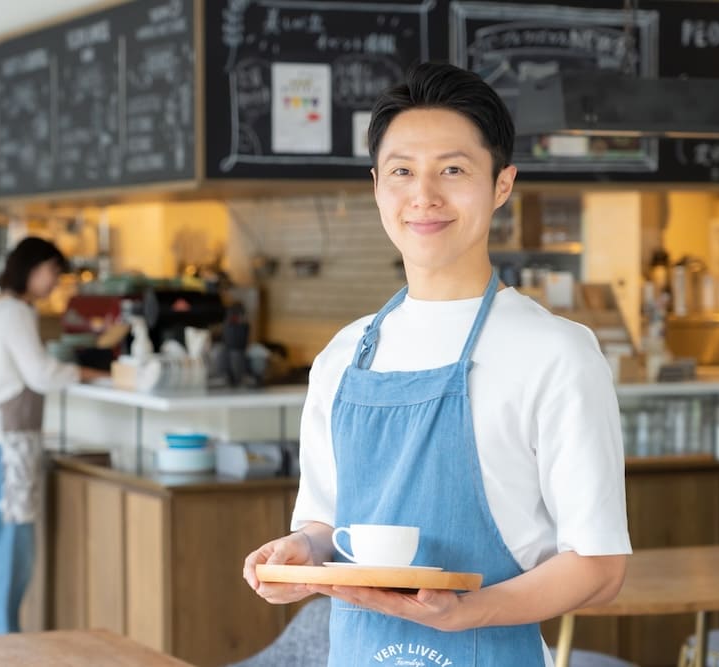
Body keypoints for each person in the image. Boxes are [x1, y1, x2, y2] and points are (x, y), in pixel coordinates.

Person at [242, 62, 631, 666]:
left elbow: (600, 566)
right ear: (377, 186)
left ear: (502, 184)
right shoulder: (342, 356)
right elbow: (327, 522)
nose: (424, 195)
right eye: (402, 171)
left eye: (453, 169)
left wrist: (464, 613)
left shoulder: (555, 352)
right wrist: (299, 549)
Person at [0, 236, 106, 636]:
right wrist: (86, 372)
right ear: (32, 268)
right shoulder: (18, 312)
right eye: (53, 272)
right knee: (7, 550)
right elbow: (40, 374)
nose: (55, 282)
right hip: (6, 444)